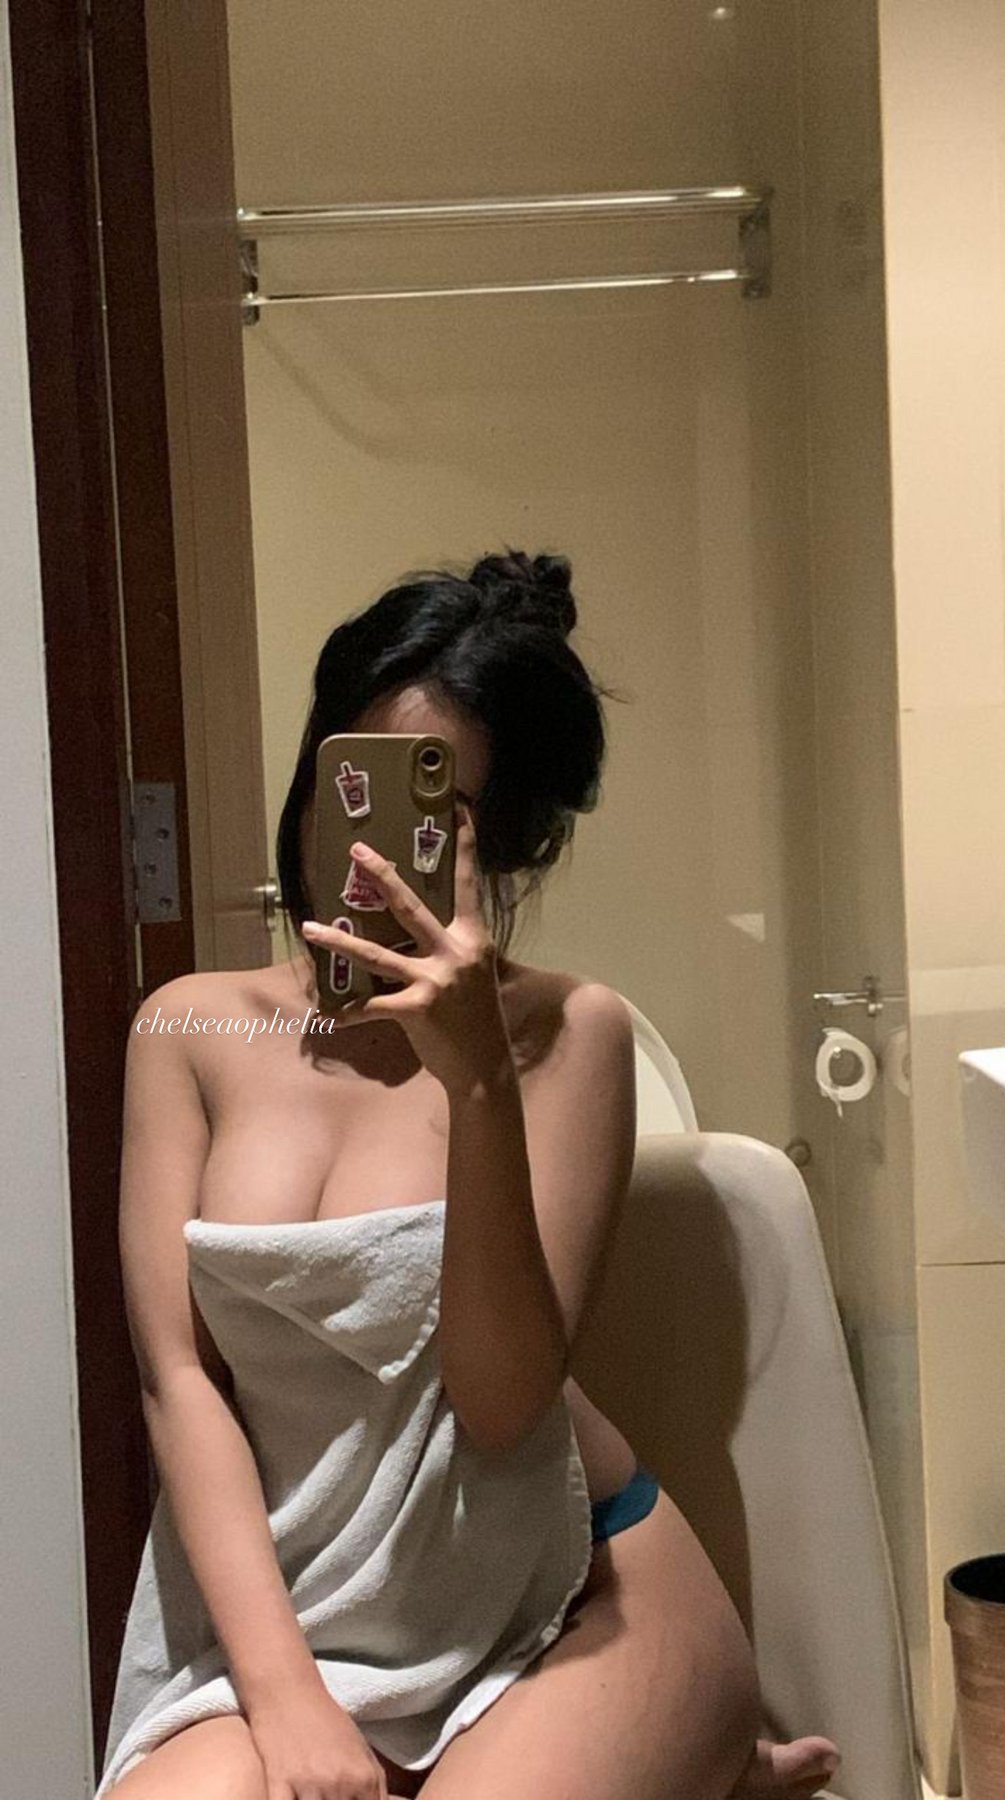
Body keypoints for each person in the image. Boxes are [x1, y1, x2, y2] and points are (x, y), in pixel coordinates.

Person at [98, 549, 841, 1800]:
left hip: (565, 1593)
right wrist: (288, 1702)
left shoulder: (569, 1035)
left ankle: (692, 1743)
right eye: (352, 781)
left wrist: (478, 1083)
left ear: (507, 842)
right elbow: (180, 1381)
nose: (371, 849)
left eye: (430, 812)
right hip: (290, 1613)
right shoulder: (187, 1027)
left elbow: (501, 1409)